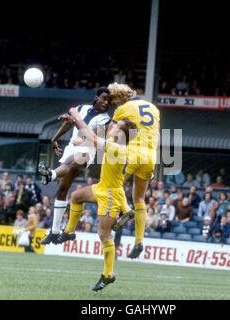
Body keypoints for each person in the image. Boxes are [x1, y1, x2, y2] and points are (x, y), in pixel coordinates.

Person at [53, 106, 138, 291]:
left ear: (122, 134)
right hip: (102, 187)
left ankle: (108, 275)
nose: (113, 126)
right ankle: (69, 231)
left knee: (104, 234)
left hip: (110, 195)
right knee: (75, 197)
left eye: (117, 126)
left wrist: (76, 115)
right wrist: (79, 140)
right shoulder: (114, 142)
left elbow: (93, 137)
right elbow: (91, 138)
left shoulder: (118, 148)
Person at [39, 87, 112, 244]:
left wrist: (75, 123)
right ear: (96, 97)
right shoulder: (81, 108)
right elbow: (69, 124)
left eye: (109, 101)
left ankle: (50, 174)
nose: (106, 102)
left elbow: (93, 134)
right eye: (104, 98)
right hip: (71, 147)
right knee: (62, 189)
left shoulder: (106, 119)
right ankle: (54, 230)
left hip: (87, 150)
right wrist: (54, 138)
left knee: (73, 161)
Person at [107, 83, 161, 259]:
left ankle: (121, 219)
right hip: (150, 157)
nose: (115, 104)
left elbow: (111, 134)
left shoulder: (123, 109)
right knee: (139, 198)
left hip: (130, 154)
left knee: (113, 188)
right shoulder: (154, 108)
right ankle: (139, 241)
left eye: (115, 101)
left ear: (121, 98)